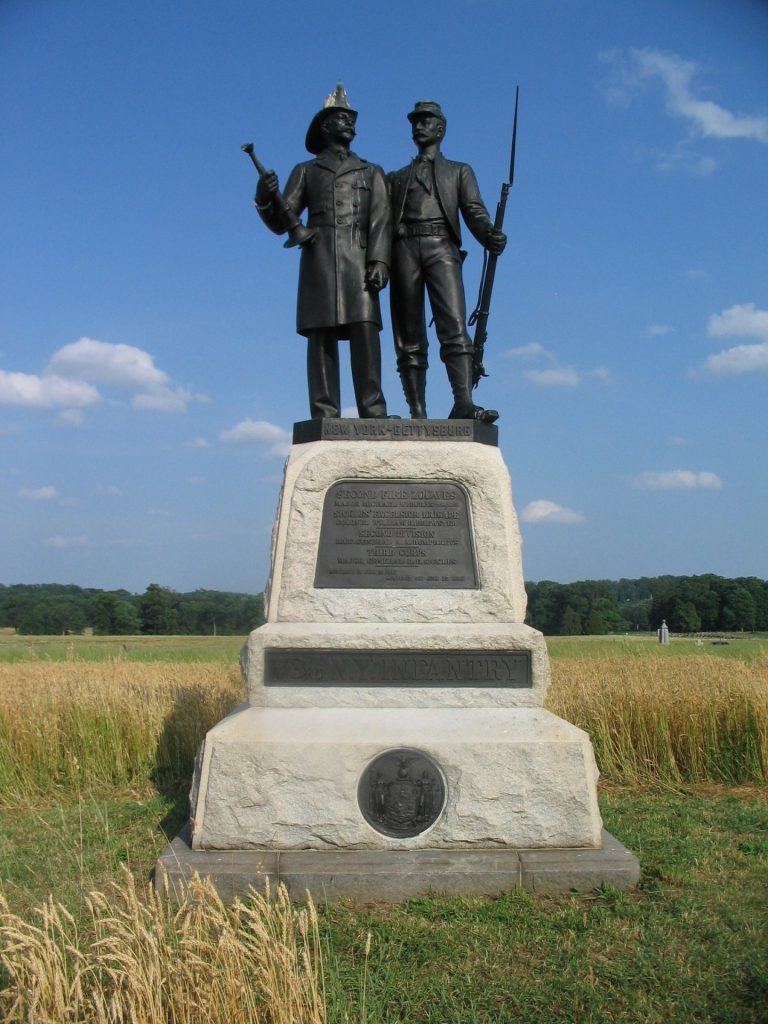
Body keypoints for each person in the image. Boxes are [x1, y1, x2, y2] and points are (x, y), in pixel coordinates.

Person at [255, 84, 392, 419]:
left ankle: (373, 410)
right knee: (321, 336)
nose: (349, 123)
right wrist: (264, 196)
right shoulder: (306, 170)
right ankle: (324, 411)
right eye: (341, 118)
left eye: (351, 118)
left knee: (365, 331)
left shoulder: (371, 171)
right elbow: (282, 220)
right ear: (325, 126)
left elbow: (381, 221)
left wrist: (379, 260)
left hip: (359, 257)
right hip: (319, 258)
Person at [388, 101, 506, 422]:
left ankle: (464, 402)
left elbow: (474, 211)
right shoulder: (395, 178)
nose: (418, 126)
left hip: (442, 247)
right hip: (403, 250)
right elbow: (378, 224)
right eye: (415, 121)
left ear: (440, 129)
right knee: (408, 335)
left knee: (453, 326)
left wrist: (489, 235)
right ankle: (417, 411)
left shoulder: (458, 171)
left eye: (426, 121)